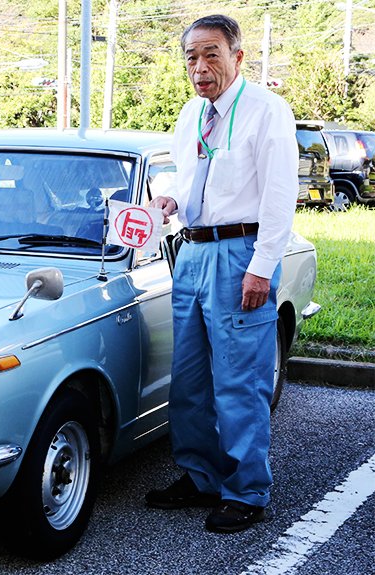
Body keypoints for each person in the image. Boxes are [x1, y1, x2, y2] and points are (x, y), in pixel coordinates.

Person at [146, 14, 298, 533]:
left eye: (212, 54)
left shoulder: (266, 110)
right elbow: (190, 178)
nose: (200, 66)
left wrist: (262, 268)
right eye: (191, 56)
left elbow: (280, 194)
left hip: (241, 255)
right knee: (188, 382)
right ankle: (200, 476)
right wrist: (169, 198)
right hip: (190, 252)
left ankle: (247, 491)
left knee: (239, 382)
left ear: (237, 56)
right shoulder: (192, 113)